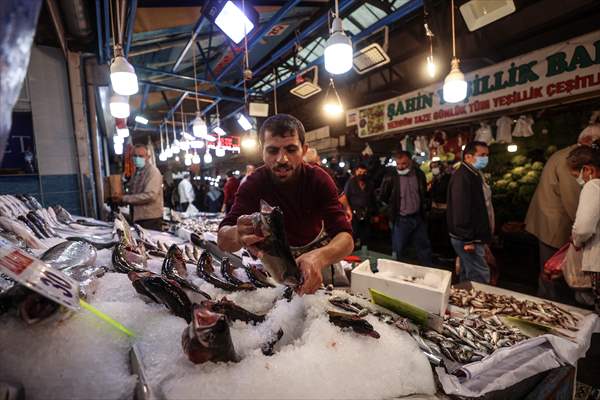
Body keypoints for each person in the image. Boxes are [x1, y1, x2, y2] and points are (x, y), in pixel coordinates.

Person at [217, 114, 353, 295]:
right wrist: (237, 234)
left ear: (304, 150)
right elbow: (222, 240)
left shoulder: (319, 179)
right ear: (261, 151)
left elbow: (346, 238)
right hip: (274, 267)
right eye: (273, 151)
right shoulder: (253, 184)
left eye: (291, 149)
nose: (282, 159)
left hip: (318, 264)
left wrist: (319, 257)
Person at [525, 124, 600, 298]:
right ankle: (550, 312)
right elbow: (574, 201)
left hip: (554, 223)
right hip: (555, 227)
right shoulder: (574, 160)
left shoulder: (572, 156)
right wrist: (579, 237)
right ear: (589, 141)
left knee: (553, 275)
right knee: (553, 277)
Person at [446, 141, 493, 283]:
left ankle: (464, 301)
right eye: (482, 155)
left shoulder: (473, 174)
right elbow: (461, 209)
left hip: (471, 235)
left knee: (468, 273)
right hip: (467, 237)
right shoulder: (463, 177)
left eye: (487, 155)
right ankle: (479, 304)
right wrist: (468, 239)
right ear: (468, 156)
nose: (485, 159)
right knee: (479, 275)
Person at [378, 149, 432, 265]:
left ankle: (429, 273)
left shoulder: (419, 174)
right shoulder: (390, 177)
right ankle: (397, 277)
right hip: (400, 220)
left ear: (411, 162)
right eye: (398, 164)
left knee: (424, 248)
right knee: (398, 250)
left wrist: (426, 209)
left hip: (418, 218)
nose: (400, 167)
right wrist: (390, 212)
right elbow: (383, 197)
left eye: (404, 164)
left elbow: (424, 194)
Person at [567, 141, 600, 313]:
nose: (578, 180)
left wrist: (577, 242)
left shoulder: (593, 186)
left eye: (576, 175)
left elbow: (583, 228)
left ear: (588, 170)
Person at [113, 144, 164, 231]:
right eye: (135, 156)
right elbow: (133, 192)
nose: (137, 158)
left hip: (149, 219)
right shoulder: (136, 172)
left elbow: (150, 195)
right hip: (138, 218)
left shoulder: (152, 172)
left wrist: (124, 198)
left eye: (140, 156)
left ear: (148, 157)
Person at [341, 164, 373, 249]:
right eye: (360, 172)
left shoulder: (369, 183)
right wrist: (347, 211)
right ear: (356, 172)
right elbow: (345, 197)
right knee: (353, 234)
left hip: (366, 213)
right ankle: (352, 251)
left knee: (366, 235)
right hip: (354, 213)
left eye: (364, 172)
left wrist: (375, 213)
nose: (362, 174)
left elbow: (373, 199)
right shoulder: (350, 183)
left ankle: (364, 251)